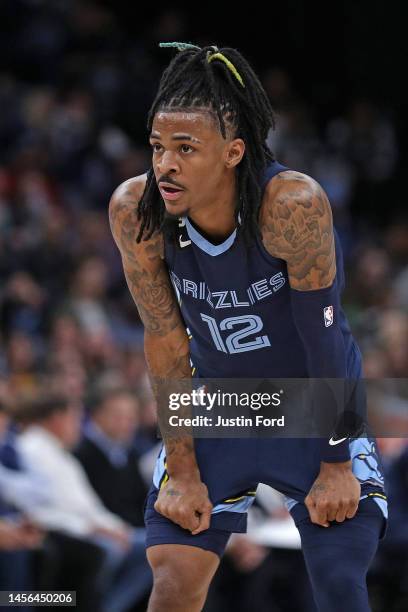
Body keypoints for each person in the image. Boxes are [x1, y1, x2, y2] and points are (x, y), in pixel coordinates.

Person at [109, 42, 387, 612]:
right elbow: (165, 342)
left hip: (312, 402)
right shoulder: (137, 211)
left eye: (186, 149)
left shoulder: (291, 205)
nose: (165, 164)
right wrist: (182, 470)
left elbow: (325, 335)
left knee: (339, 581)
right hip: (221, 406)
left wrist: (336, 464)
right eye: (158, 147)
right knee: (171, 582)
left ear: (234, 151)